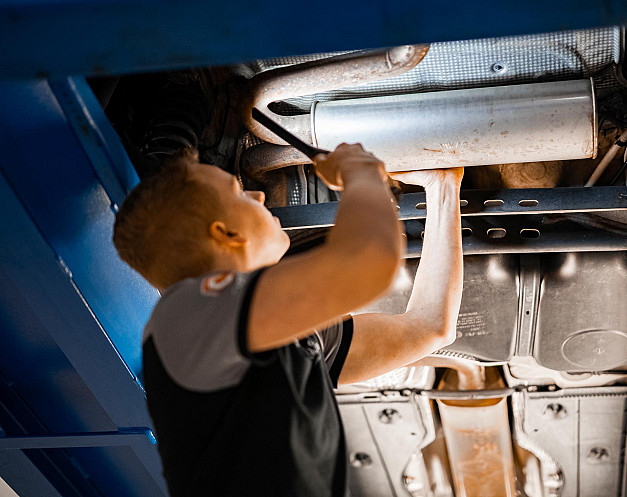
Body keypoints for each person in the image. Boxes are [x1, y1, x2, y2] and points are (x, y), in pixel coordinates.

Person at [112, 144, 463, 496]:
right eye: (238, 192)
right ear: (227, 234)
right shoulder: (185, 316)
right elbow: (368, 263)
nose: (259, 195)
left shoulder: (277, 336)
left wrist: (442, 188)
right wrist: (360, 173)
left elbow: (430, 326)